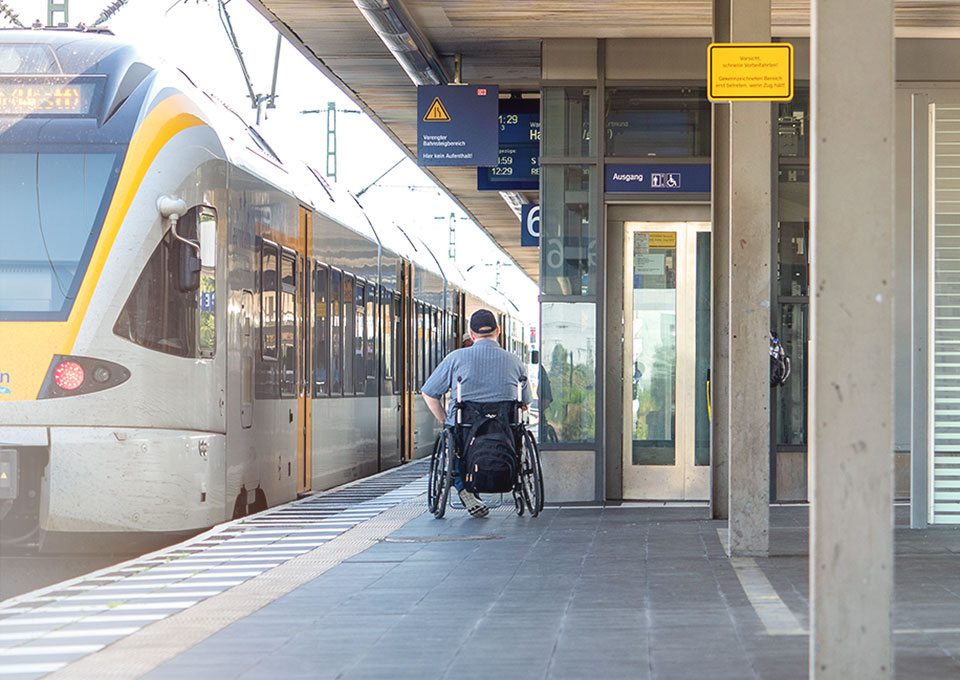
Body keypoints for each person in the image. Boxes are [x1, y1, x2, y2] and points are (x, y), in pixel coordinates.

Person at [422, 309, 533, 517]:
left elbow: (429, 393)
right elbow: (526, 401)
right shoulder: (514, 361)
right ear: (498, 331)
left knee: (452, 439)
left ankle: (463, 489)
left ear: (471, 335)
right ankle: (517, 486)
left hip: (465, 427)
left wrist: (445, 420)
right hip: (504, 431)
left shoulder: (456, 358)